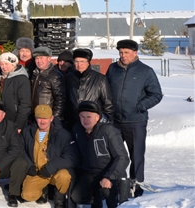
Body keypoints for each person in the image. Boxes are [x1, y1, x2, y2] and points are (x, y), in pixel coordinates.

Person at [106, 39, 163, 197]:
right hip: (115, 121)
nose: (123, 56)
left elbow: (156, 94)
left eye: (126, 53)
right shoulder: (113, 69)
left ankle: (136, 188)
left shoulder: (145, 71)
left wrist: (140, 106)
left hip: (136, 121)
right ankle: (118, 186)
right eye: (120, 53)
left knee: (136, 156)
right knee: (115, 155)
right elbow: (106, 91)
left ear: (135, 53)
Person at [71, 101, 129, 208]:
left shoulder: (108, 131)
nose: (85, 120)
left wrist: (109, 176)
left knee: (109, 197)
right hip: (90, 173)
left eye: (89, 116)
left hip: (108, 172)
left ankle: (122, 187)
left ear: (97, 117)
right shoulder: (77, 131)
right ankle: (97, 197)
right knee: (77, 196)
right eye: (82, 116)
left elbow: (122, 157)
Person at [20, 105, 79, 208]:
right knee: (27, 195)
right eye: (39, 118)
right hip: (38, 172)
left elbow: (72, 157)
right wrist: (29, 165)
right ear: (35, 118)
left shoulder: (63, 134)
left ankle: (59, 199)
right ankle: (44, 189)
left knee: (64, 176)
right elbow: (20, 150)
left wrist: (51, 167)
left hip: (55, 171)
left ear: (51, 118)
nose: (42, 121)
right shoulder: (27, 132)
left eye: (45, 118)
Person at [65, 48, 114, 130]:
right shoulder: (68, 78)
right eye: (76, 61)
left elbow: (108, 103)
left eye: (82, 61)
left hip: (93, 124)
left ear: (88, 62)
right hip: (73, 123)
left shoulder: (100, 79)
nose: (79, 64)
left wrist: (105, 121)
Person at [0, 52, 31, 132]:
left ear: (13, 65)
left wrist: (19, 125)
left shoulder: (21, 79)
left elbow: (25, 104)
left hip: (14, 121)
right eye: (1, 64)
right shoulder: (0, 78)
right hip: (0, 120)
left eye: (6, 64)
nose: (3, 67)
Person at [30, 46, 66, 121]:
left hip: (47, 117)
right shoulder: (34, 74)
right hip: (35, 116)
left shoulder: (55, 76)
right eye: (37, 58)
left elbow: (60, 99)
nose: (39, 61)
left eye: (41, 58)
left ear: (49, 59)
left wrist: (55, 118)